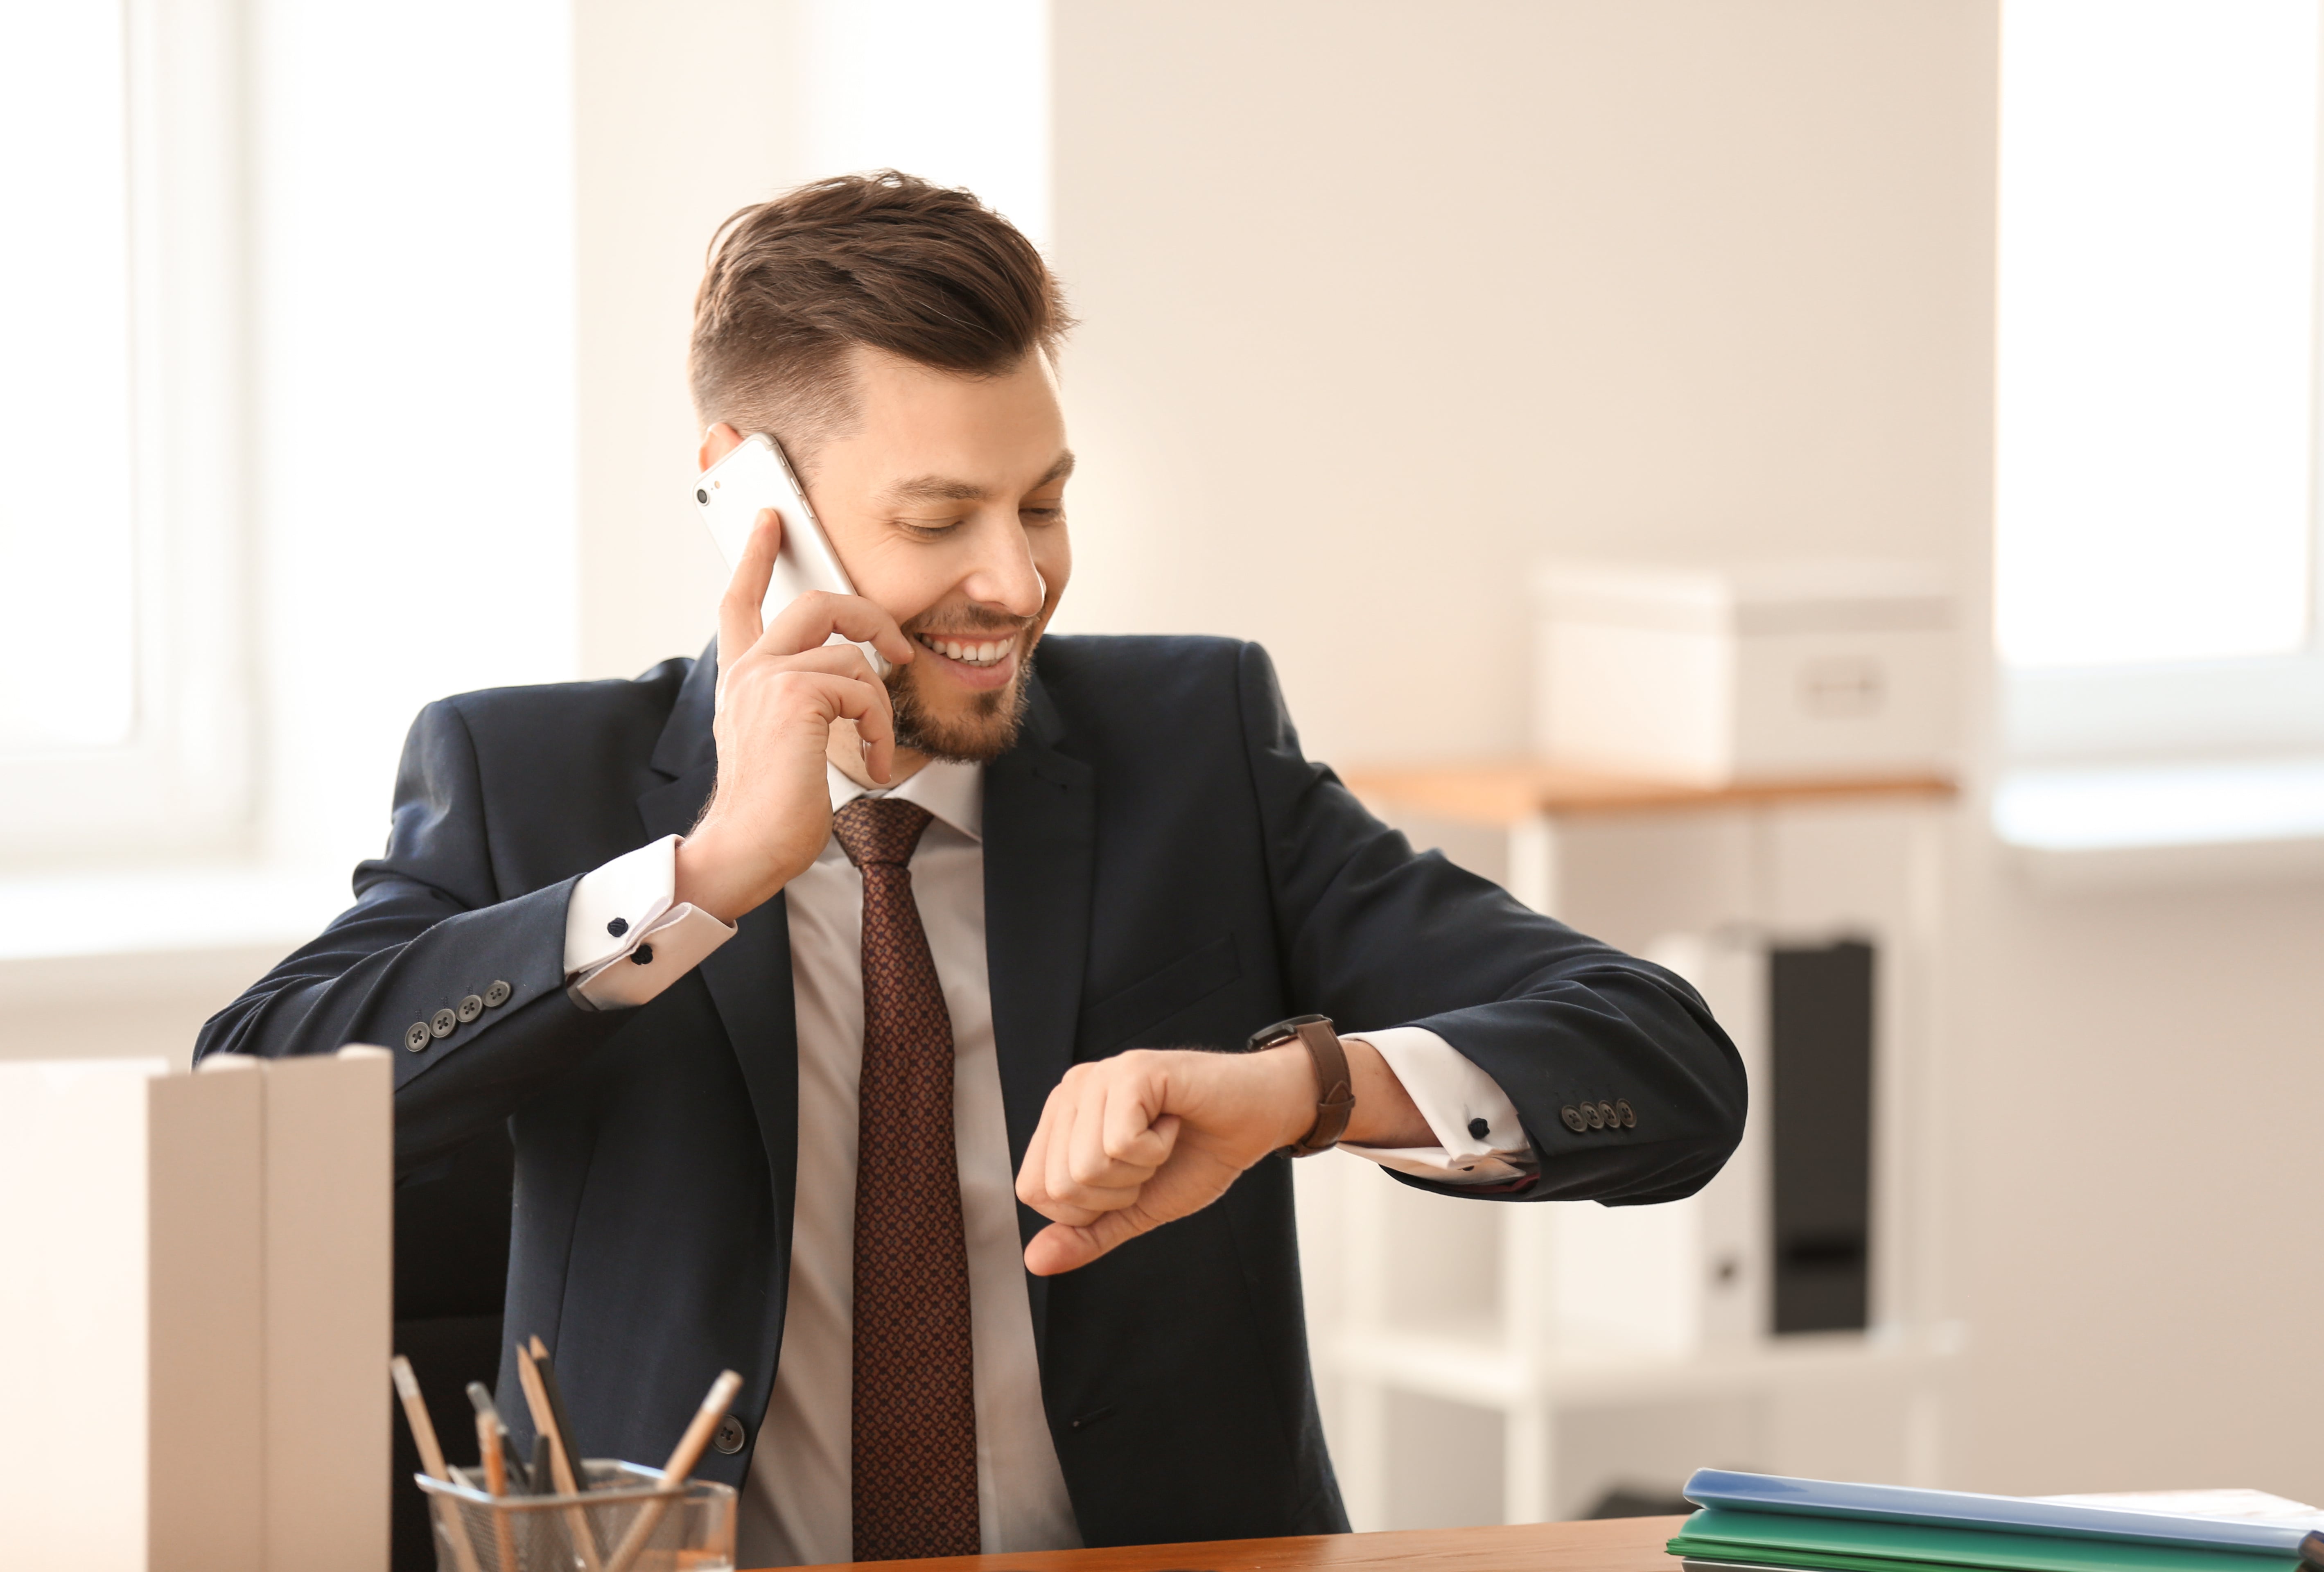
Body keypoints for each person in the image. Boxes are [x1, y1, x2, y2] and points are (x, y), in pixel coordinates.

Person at [197, 171, 1745, 1566]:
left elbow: (1666, 1064)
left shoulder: (1190, 746)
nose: (1016, 581)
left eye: (1048, 503)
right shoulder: (533, 782)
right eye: (939, 518)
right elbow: (253, 1103)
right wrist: (709, 869)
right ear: (753, 497)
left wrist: (1304, 1094)